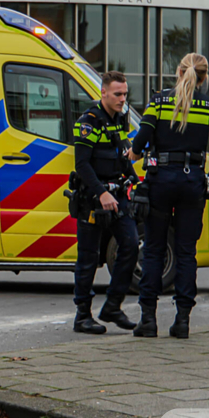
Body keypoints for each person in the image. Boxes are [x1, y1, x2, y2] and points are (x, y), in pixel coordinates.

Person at [128, 53, 209, 339]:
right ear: (203, 77)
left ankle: (148, 320)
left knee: (153, 249)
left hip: (161, 180)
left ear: (178, 71)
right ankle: (182, 321)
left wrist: (130, 155)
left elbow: (141, 141)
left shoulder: (159, 101)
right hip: (193, 182)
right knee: (186, 252)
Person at [71, 70, 139, 334]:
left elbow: (123, 156)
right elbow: (82, 165)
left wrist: (135, 180)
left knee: (131, 244)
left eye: (125, 94)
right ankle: (82, 316)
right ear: (103, 93)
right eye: (118, 94)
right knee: (88, 258)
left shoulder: (120, 120)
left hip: (117, 194)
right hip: (93, 197)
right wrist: (101, 193)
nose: (123, 99)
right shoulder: (89, 121)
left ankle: (112, 305)